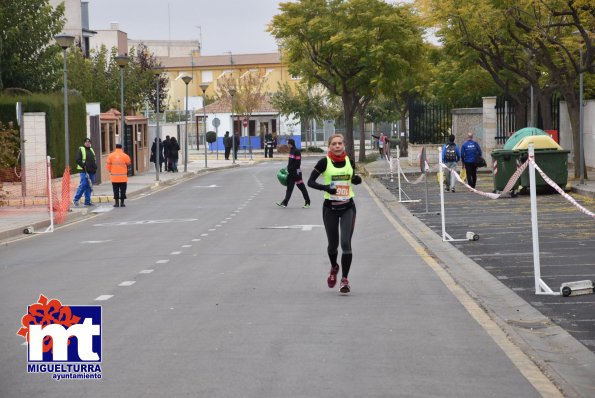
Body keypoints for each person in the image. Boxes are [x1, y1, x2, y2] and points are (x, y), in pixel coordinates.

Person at [307, 134, 362, 294]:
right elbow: (310, 182)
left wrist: (356, 180)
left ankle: (344, 280)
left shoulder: (349, 161)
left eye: (340, 143)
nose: (337, 146)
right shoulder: (324, 162)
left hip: (348, 208)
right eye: (334, 144)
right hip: (330, 208)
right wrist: (326, 188)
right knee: (333, 245)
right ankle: (334, 267)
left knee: (346, 244)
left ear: (344, 145)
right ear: (329, 146)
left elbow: (351, 179)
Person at [276, 138, 310, 208]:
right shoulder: (291, 151)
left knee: (300, 188)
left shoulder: (297, 151)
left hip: (296, 172)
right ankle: (284, 203)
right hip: (292, 172)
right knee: (290, 188)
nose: (287, 145)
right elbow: (290, 162)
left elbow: (298, 163)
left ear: (291, 144)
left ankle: (307, 202)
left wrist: (290, 169)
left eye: (288, 144)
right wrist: (287, 168)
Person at [73, 138, 97, 207]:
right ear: (84, 143)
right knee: (83, 185)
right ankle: (76, 199)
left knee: (89, 186)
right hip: (84, 171)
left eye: (89, 142)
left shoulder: (91, 150)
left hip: (91, 171)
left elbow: (94, 160)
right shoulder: (81, 149)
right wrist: (84, 166)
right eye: (86, 142)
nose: (87, 143)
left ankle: (87, 201)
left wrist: (95, 167)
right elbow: (78, 160)